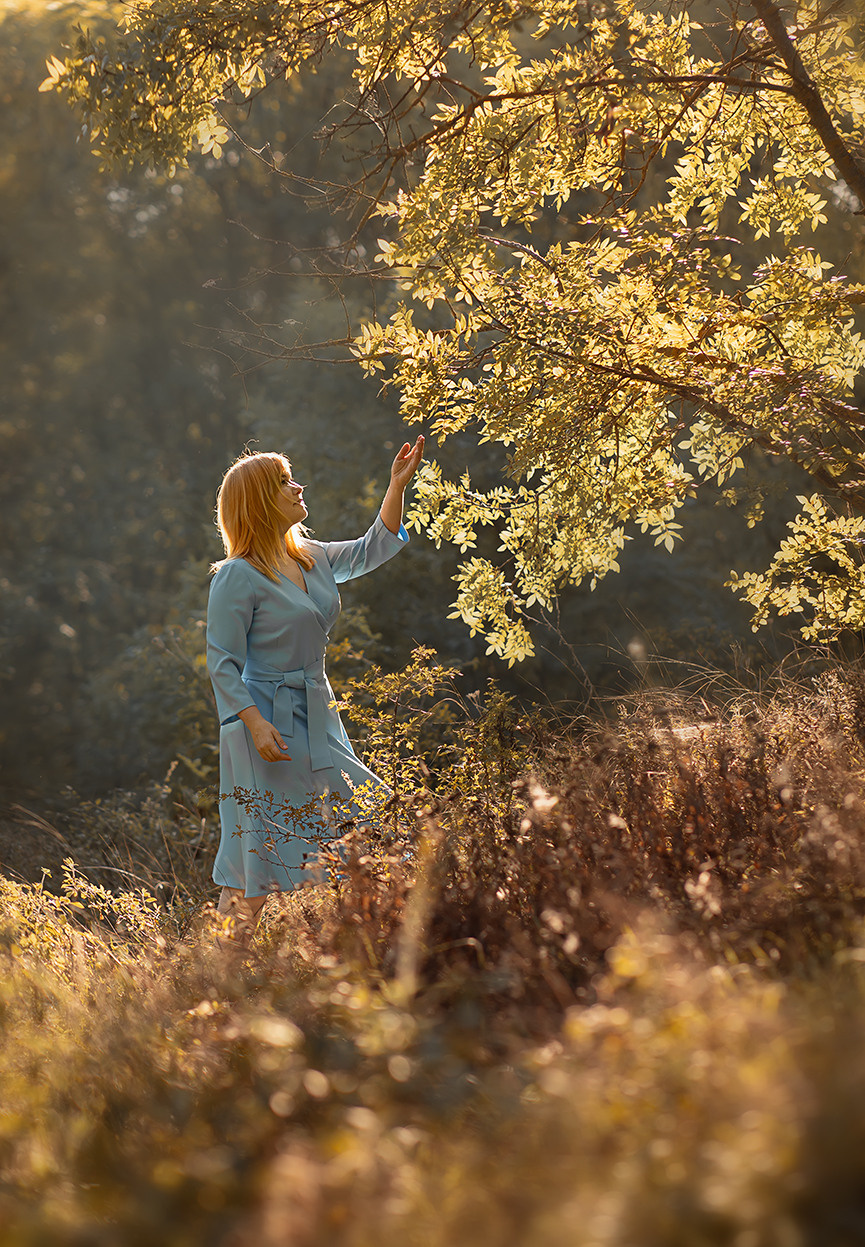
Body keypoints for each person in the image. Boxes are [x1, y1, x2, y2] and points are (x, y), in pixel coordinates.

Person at [206, 436, 424, 946]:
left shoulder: (312, 558)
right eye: (284, 482)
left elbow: (373, 548)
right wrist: (254, 723)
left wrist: (396, 486)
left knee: (371, 817)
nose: (297, 485)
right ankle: (216, 974)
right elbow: (222, 663)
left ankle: (367, 947)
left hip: (317, 713)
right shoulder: (236, 577)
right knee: (254, 856)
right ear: (260, 501)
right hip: (262, 726)